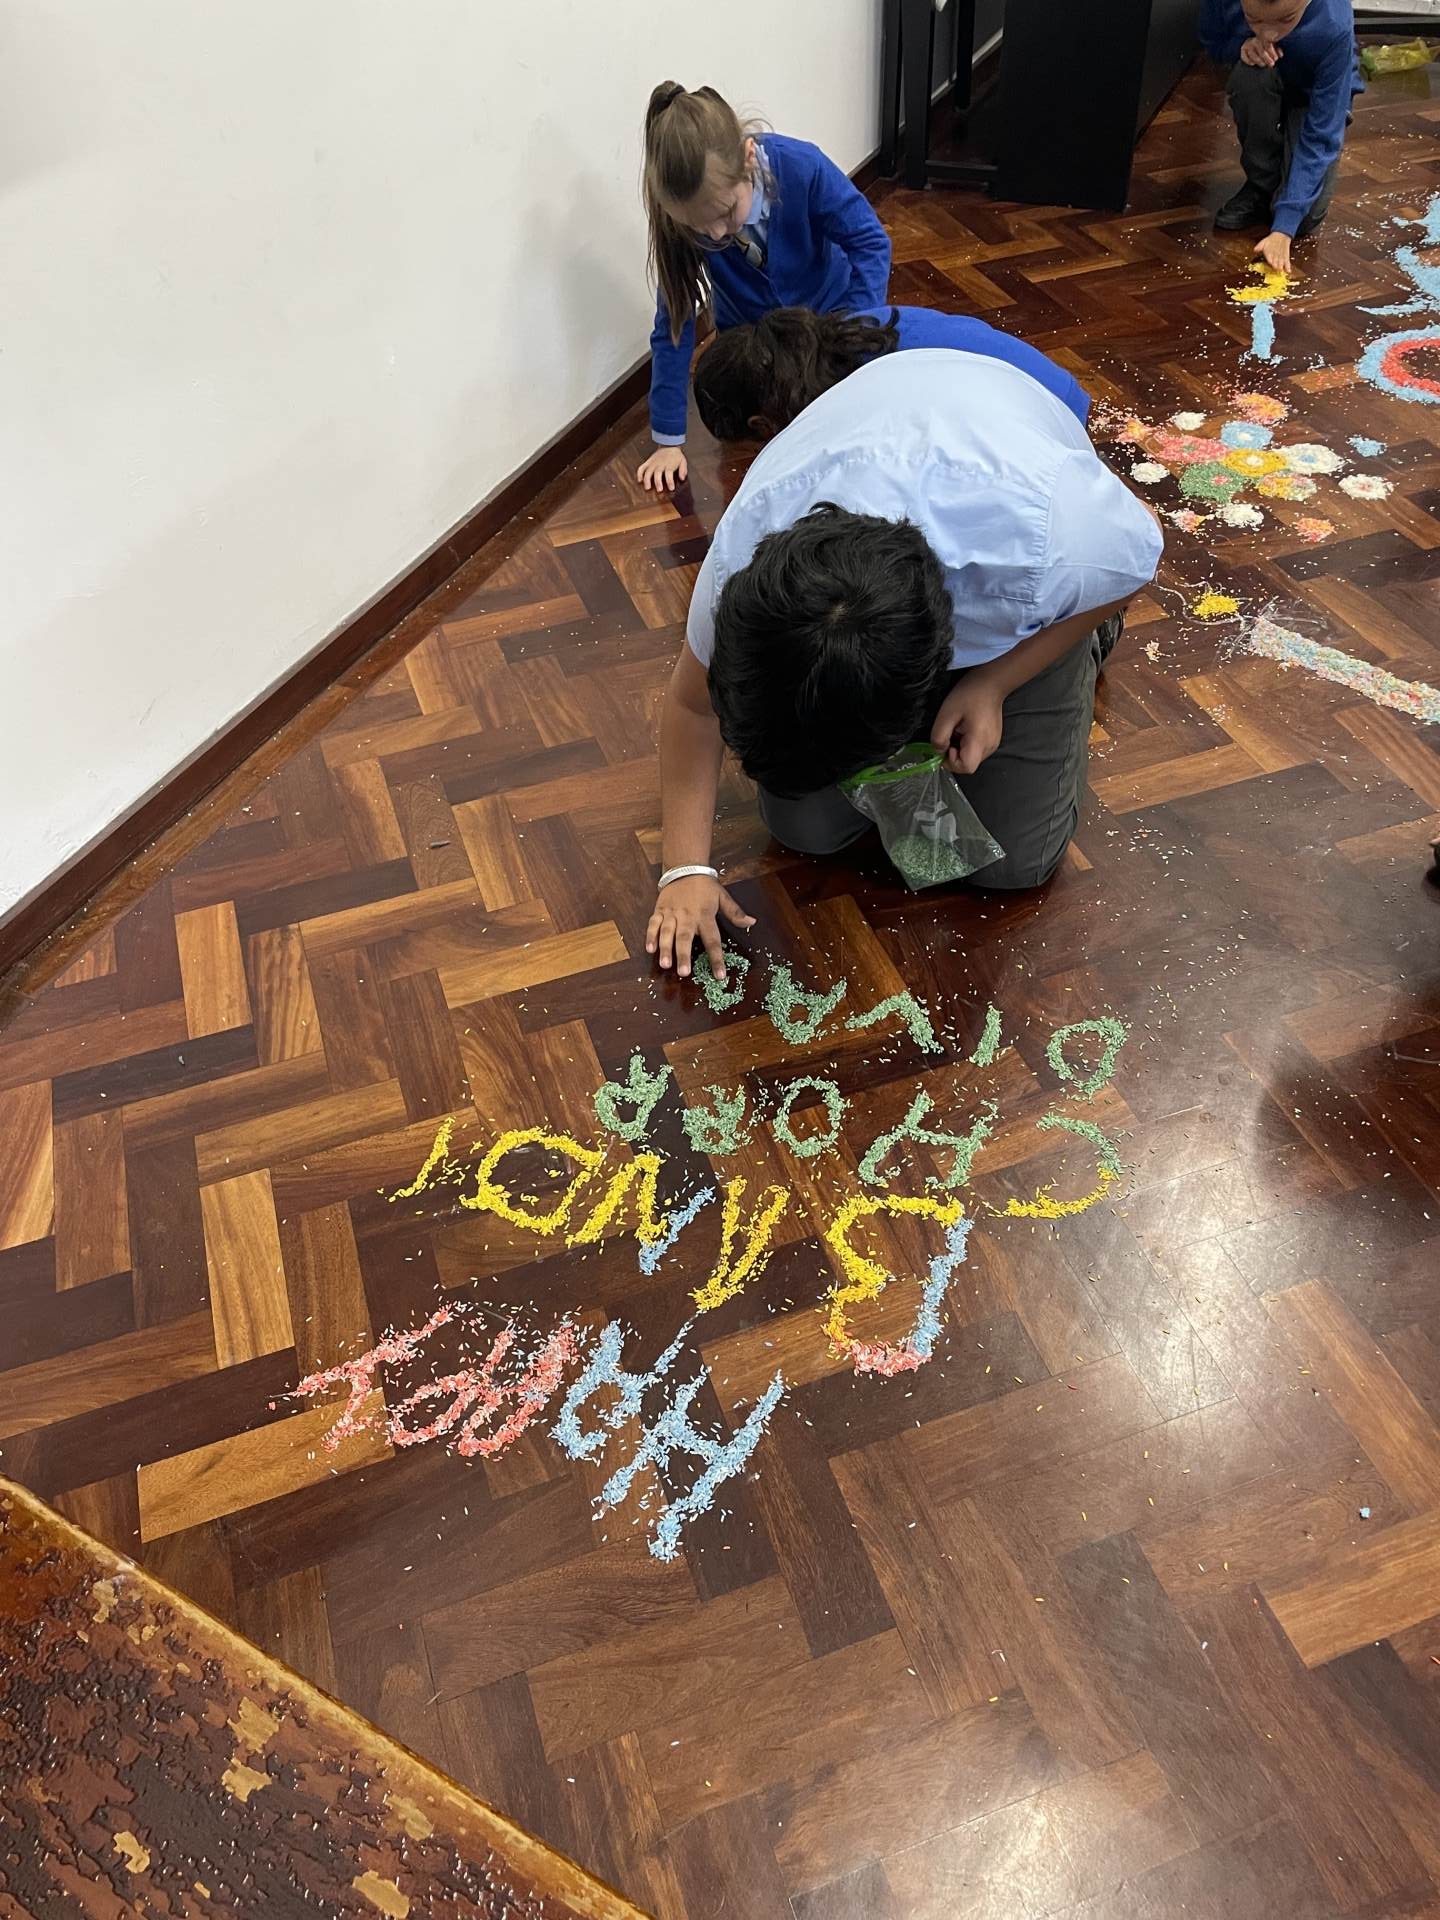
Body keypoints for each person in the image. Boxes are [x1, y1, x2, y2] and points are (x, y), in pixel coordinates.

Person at [646, 350, 1163, 979]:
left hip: (1032, 562)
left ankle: (1086, 641)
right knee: (805, 830)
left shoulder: (1049, 539)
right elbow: (692, 704)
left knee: (1014, 865)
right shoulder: (742, 568)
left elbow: (1138, 555)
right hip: (896, 498)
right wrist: (685, 868)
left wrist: (994, 683)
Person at [637, 82, 891, 493]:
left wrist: (856, 331)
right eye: (698, 227)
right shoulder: (682, 218)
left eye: (725, 212)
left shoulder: (802, 167)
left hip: (828, 321)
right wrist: (668, 438)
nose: (715, 235)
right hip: (750, 341)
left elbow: (870, 243)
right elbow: (675, 322)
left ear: (748, 158)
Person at [694, 304, 1090, 442]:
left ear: (762, 425)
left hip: (1053, 426)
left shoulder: (852, 401)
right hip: (1058, 393)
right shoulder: (849, 332)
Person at [1201, 0, 1363, 274]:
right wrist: (1240, 47)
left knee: (1305, 220)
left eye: (1286, 19)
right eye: (1253, 19)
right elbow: (1213, 43)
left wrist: (1284, 228)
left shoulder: (1335, 24)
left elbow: (1322, 134)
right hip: (1263, 78)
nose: (1268, 34)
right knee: (1249, 77)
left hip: (1314, 99)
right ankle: (1262, 184)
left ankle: (1283, 192)